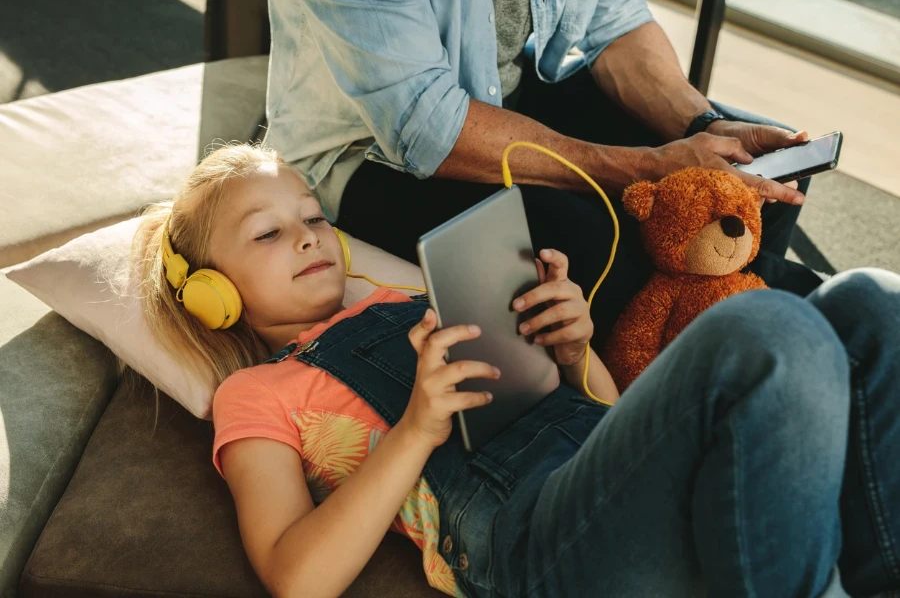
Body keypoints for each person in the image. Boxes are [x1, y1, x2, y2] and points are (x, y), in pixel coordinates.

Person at [135, 144, 900, 597]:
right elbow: (295, 578)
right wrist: (415, 429)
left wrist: (573, 351)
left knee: (872, 303)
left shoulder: (417, 294)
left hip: (609, 477)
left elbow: (598, 412)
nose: (307, 237)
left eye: (311, 217)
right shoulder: (256, 393)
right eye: (268, 233)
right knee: (761, 329)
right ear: (213, 295)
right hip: (531, 540)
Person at [263, 0, 826, 346]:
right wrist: (644, 168)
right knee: (594, 241)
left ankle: (748, 326)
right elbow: (427, 125)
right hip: (366, 150)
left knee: (755, 183)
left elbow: (617, 21)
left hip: (495, 92)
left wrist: (701, 124)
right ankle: (734, 360)